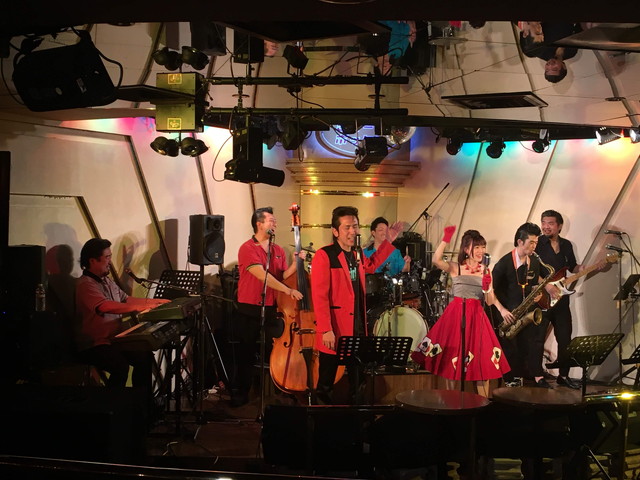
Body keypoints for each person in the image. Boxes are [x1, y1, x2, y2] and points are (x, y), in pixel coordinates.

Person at [311, 206, 401, 405]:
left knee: (358, 380)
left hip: (357, 327)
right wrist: (325, 329)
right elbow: (319, 296)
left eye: (355, 226)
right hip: (335, 328)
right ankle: (321, 420)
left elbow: (372, 265)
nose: (353, 231)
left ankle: (357, 418)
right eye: (347, 227)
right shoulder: (325, 255)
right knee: (326, 382)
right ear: (335, 231)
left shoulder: (357, 252)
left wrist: (387, 242)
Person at [411, 227, 511, 397]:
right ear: (466, 249)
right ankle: (452, 401)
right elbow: (436, 260)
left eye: (483, 247)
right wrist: (446, 238)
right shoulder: (455, 267)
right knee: (452, 360)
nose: (481, 251)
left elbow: (489, 300)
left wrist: (489, 290)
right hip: (456, 316)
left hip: (477, 317)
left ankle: (482, 402)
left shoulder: (486, 270)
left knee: (481, 360)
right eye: (476, 247)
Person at [76, 238, 170, 391]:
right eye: (107, 257)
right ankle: (114, 403)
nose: (110, 262)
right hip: (94, 345)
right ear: (93, 261)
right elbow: (105, 306)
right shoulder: (86, 284)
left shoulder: (106, 280)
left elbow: (126, 299)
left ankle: (141, 402)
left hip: (114, 340)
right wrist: (138, 307)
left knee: (144, 358)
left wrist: (155, 302)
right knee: (120, 367)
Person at [232, 206, 303, 407]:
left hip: (274, 307)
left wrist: (295, 264)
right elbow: (262, 275)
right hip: (249, 307)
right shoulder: (247, 248)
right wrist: (288, 290)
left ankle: (283, 386)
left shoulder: (278, 250)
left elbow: (281, 276)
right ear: (259, 224)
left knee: (279, 350)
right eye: (271, 220)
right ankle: (241, 392)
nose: (275, 223)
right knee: (245, 352)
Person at [492, 222, 553, 388]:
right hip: (508, 314)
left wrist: (538, 294)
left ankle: (534, 375)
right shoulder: (503, 263)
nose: (534, 246)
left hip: (527, 311)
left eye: (536, 243)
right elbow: (490, 292)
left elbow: (533, 284)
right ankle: (510, 380)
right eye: (531, 242)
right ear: (520, 242)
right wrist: (502, 311)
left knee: (532, 343)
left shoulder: (534, 262)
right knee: (511, 349)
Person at [535, 210, 584, 390]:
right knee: (538, 338)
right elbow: (530, 270)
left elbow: (572, 266)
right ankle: (537, 376)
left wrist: (582, 268)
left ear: (559, 226)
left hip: (561, 299)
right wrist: (546, 285)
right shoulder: (537, 243)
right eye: (543, 222)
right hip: (541, 298)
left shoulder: (566, 245)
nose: (545, 227)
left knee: (565, 339)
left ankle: (564, 376)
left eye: (550, 223)